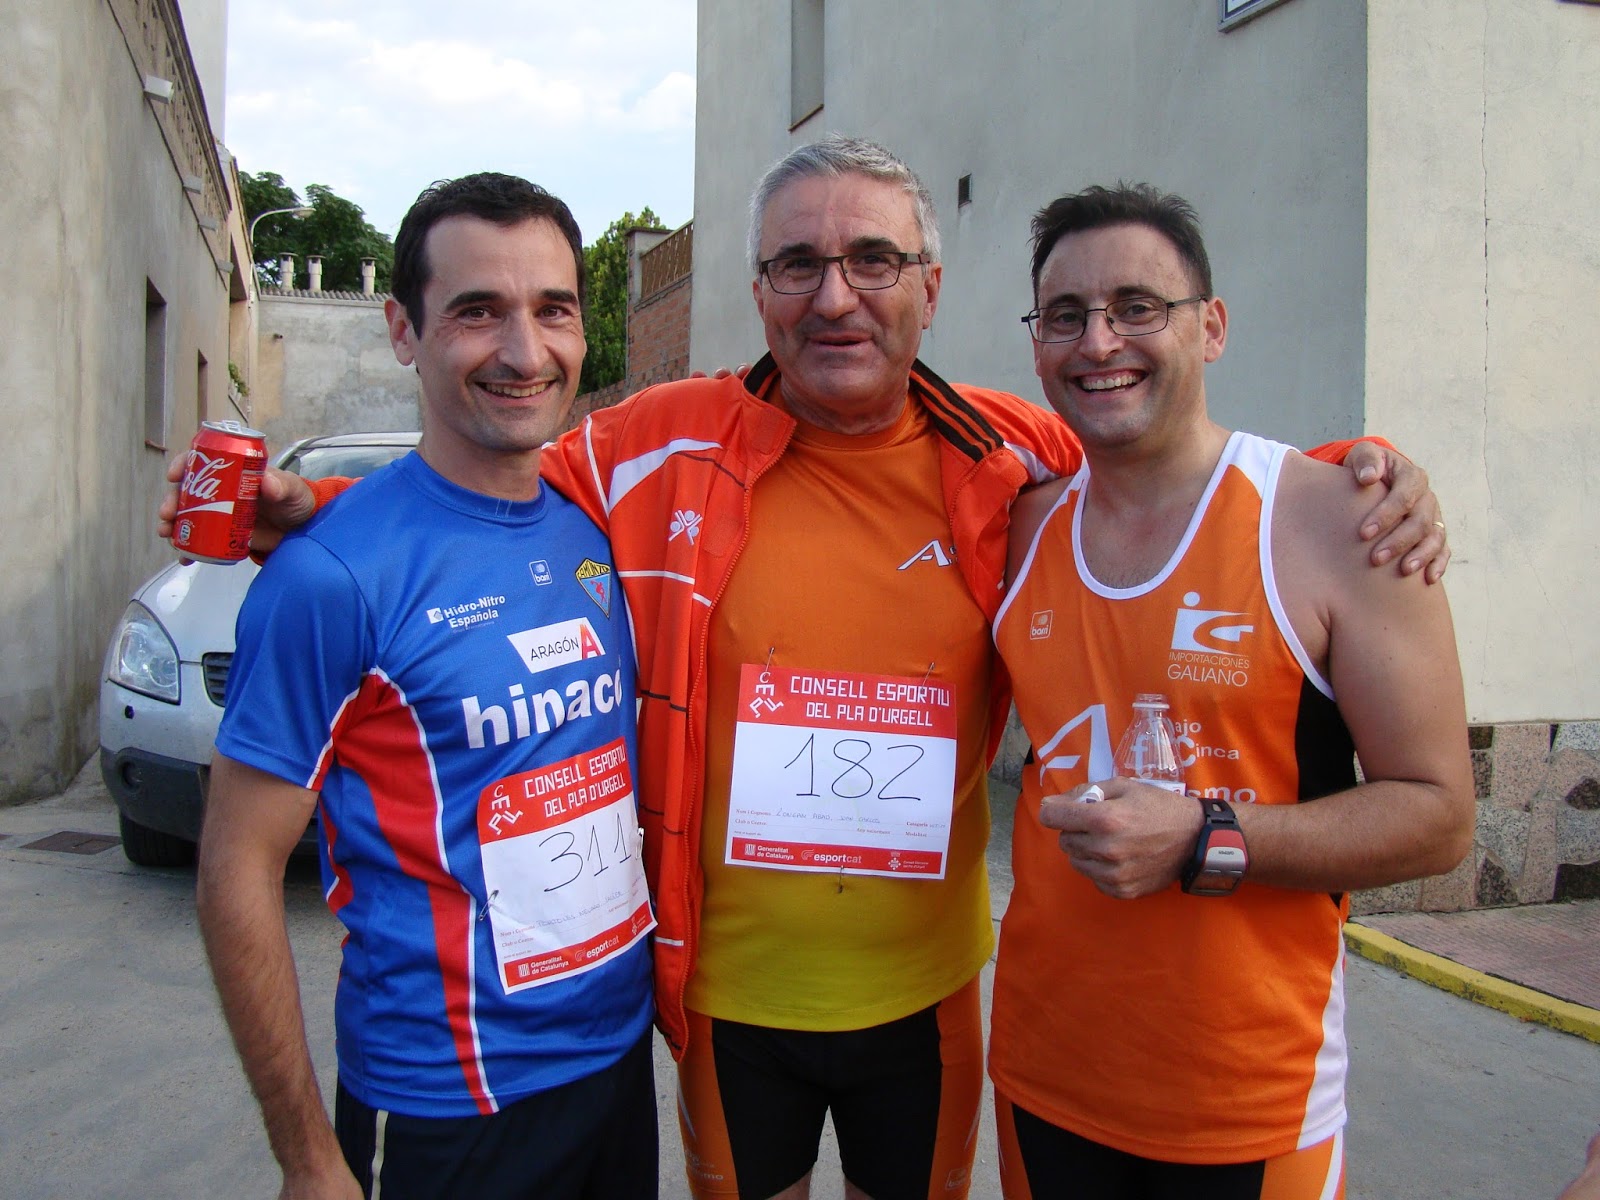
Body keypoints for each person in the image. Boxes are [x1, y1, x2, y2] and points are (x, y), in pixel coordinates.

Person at [180, 138, 1449, 1200]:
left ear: (928, 288)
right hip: (730, 1005)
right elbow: (482, 494)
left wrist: (1365, 474)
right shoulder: (658, 444)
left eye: (873, 260)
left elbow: (1176, 465)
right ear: (759, 290)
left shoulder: (1014, 459)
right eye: (798, 264)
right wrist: (317, 509)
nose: (836, 297)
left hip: (928, 999)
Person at [989, 183, 1476, 1199]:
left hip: (1251, 1103)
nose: (1098, 341)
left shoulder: (1340, 521)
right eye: (1065, 315)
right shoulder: (1018, 526)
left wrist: (1205, 836)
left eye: (1137, 306)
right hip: (1041, 1074)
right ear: (1036, 346)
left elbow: (1438, 818)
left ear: (1209, 327)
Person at [195, 174, 658, 1200]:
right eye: (477, 311)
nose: (525, 353)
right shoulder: (329, 578)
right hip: (445, 1102)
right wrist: (306, 1159)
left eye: (553, 310)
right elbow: (234, 870)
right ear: (404, 329)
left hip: (618, 1063)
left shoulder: (598, 524)